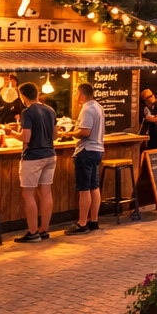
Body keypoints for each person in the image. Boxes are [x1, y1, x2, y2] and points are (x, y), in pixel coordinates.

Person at [12, 81, 57, 242]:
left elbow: (26, 138)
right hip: (50, 155)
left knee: (28, 194)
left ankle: (32, 233)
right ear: (37, 93)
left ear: (22, 96)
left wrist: (12, 133)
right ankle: (44, 229)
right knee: (46, 193)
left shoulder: (28, 112)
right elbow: (54, 136)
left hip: (33, 157)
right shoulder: (50, 110)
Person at [67, 81, 105, 235]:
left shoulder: (87, 109)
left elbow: (85, 132)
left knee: (84, 189)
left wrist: (68, 133)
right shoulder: (98, 107)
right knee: (94, 187)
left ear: (82, 94)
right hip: (97, 150)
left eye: (76, 92)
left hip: (86, 150)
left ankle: (82, 223)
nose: (75, 95)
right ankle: (93, 220)